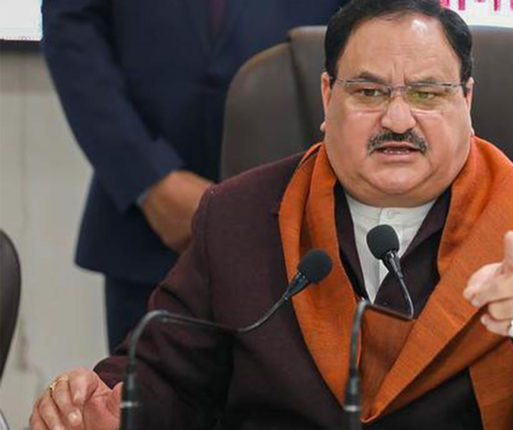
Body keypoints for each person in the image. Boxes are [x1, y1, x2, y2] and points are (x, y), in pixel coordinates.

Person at [30, 1, 513, 429]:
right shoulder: (242, 216)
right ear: (328, 97)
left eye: (427, 93)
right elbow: (161, 377)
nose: (397, 119)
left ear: (467, 101)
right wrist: (96, 406)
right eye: (368, 91)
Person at [41, 0, 349, 352]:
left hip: (307, 229)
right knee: (140, 384)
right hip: (151, 231)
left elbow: (375, 28)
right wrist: (149, 179)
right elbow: (72, 24)